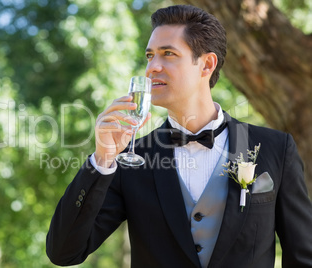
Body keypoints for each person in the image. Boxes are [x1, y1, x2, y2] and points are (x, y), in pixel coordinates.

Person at [46, 5, 312, 268]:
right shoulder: (132, 158)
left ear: (206, 65)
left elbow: (303, 256)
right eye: (149, 56)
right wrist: (102, 160)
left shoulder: (276, 148)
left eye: (168, 54)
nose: (152, 68)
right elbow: (64, 252)